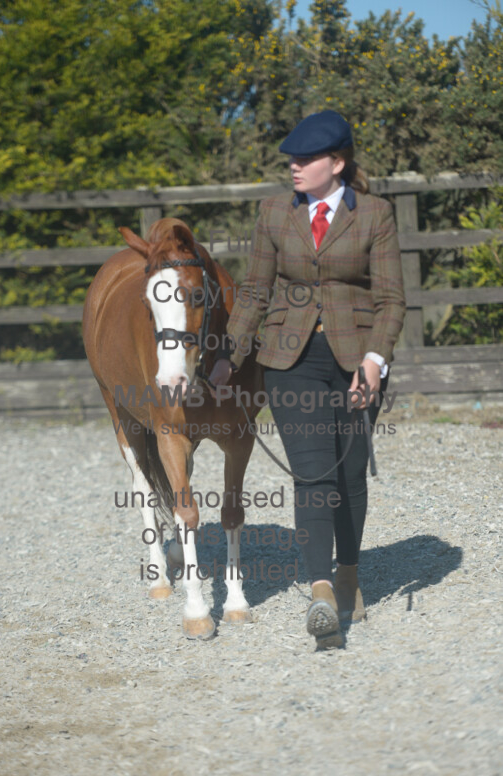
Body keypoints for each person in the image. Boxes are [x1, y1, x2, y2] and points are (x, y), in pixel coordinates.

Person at [208, 109, 406, 647]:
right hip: (289, 362)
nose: (294, 166)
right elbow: (254, 291)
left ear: (336, 163)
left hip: (356, 361)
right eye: (291, 159)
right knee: (313, 476)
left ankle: (348, 573)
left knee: (351, 475)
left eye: (306, 158)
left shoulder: (375, 215)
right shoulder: (274, 213)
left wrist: (374, 360)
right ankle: (320, 593)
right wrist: (229, 355)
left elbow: (391, 299)